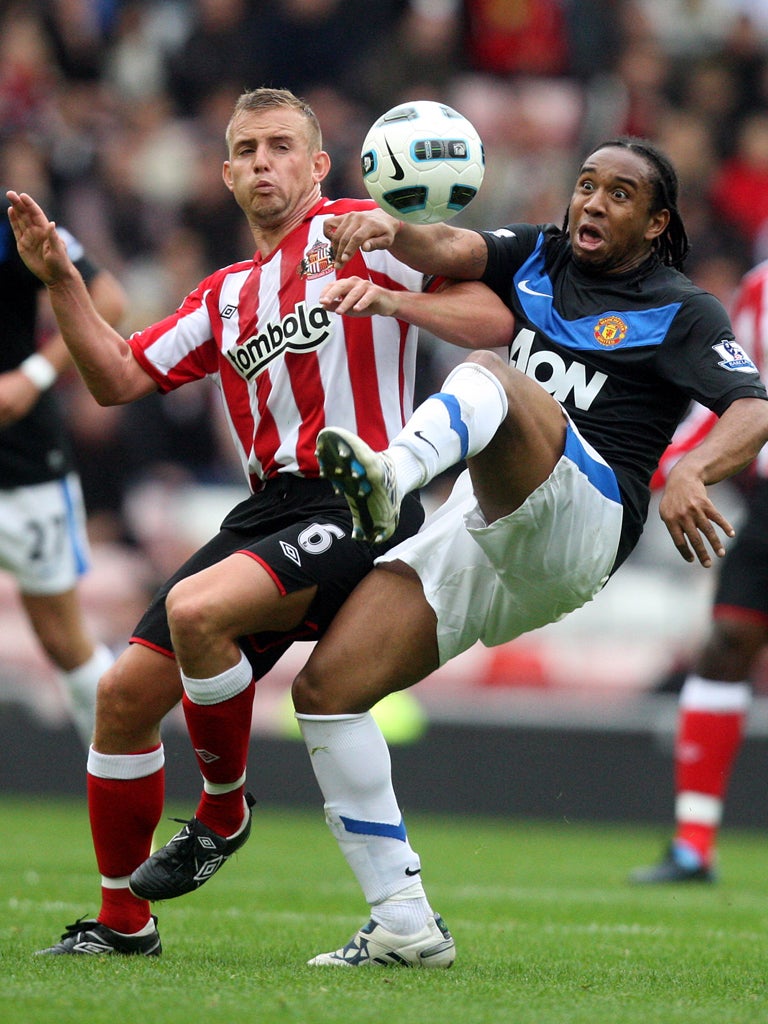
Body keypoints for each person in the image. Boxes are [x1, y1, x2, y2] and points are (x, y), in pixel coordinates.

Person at [7, 87, 513, 957]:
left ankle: (223, 809)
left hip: (364, 496)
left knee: (200, 610)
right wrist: (59, 280)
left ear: (319, 166)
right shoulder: (224, 295)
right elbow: (118, 379)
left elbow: (493, 319)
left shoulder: (364, 230)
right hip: (267, 511)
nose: (261, 163)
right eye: (244, 150)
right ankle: (124, 922)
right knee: (123, 697)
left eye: (282, 146)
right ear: (228, 174)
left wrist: (396, 300)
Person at [278, 136, 768, 967]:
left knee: (492, 374)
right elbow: (458, 247)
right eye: (586, 186)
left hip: (588, 520)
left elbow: (754, 409)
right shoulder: (539, 254)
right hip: (490, 521)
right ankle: (404, 922)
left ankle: (392, 476)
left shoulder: (684, 310)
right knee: (326, 690)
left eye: (620, 195)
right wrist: (391, 232)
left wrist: (694, 470)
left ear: (656, 225)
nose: (593, 204)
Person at [630, 258, 768, 884]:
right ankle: (693, 844)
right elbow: (733, 398)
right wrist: (665, 463)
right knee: (726, 645)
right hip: (766, 507)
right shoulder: (759, 288)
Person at [0, 193, 125, 747]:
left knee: (63, 639)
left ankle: (128, 783)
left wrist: (33, 375)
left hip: (24, 467)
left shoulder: (8, 225)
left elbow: (108, 299)